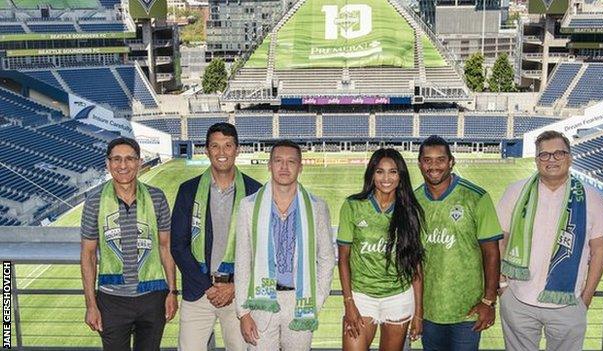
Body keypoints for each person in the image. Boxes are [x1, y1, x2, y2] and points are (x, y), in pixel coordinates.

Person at [497, 130, 603, 351]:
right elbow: (501, 240)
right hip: (518, 300)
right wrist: (503, 287)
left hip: (568, 304)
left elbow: (598, 251)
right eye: (544, 155)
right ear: (536, 160)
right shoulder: (515, 192)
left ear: (570, 158)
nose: (551, 160)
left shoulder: (591, 197)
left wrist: (585, 299)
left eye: (558, 154)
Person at [234, 140, 335, 351]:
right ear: (269, 165)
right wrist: (243, 313)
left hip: (300, 301)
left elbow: (326, 258)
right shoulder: (248, 207)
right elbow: (243, 261)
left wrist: (317, 299)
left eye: (291, 162)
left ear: (301, 167)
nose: (284, 167)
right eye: (278, 161)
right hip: (260, 303)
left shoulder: (317, 207)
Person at [80, 137, 178, 351]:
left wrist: (172, 292)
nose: (123, 165)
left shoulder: (157, 197)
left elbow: (165, 247)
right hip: (112, 301)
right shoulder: (94, 201)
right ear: (108, 163)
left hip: (153, 297)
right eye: (116, 159)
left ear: (139, 162)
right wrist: (91, 305)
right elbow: (88, 254)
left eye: (129, 159)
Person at [171, 122, 262, 351]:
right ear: (206, 150)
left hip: (239, 295)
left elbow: (262, 249)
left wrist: (234, 286)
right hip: (198, 292)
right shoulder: (188, 190)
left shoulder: (256, 191)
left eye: (228, 145)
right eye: (215, 146)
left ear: (238, 149)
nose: (222, 153)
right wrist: (207, 287)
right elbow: (178, 246)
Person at [414, 135, 502, 350]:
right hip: (429, 310)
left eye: (440, 159)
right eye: (427, 160)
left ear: (451, 162)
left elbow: (491, 253)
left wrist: (489, 301)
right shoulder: (413, 201)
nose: (433, 166)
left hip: (468, 310)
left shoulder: (477, 197)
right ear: (419, 164)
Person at [337, 148, 425, 351]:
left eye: (393, 172)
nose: (386, 178)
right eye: (380, 171)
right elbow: (343, 259)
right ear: (371, 174)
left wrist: (418, 313)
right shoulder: (353, 206)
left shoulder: (410, 211)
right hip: (361, 297)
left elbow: (415, 266)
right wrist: (349, 303)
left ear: (400, 176)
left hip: (398, 298)